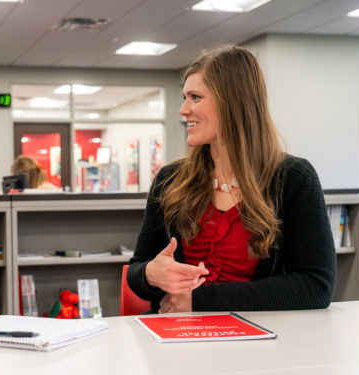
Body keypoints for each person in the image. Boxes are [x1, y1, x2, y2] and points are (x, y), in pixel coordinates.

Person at [127, 45, 336, 313]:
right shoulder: (170, 180)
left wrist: (200, 301)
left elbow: (315, 287)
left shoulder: (293, 178)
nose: (183, 110)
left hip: (262, 340)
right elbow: (137, 270)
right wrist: (149, 274)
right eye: (184, 97)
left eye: (195, 97)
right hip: (176, 337)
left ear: (231, 102)